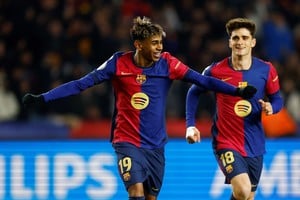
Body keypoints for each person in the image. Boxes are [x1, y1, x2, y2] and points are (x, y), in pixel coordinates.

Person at [22, 16, 256, 200]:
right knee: (135, 191)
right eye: (154, 43)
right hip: (127, 140)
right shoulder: (118, 63)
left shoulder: (168, 63)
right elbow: (81, 84)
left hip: (155, 145)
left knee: (151, 197)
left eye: (160, 43)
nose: (159, 47)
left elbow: (202, 80)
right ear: (138, 44)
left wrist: (236, 91)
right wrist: (44, 98)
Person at [185, 18, 283, 200]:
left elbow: (278, 99)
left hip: (255, 143)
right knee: (243, 190)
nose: (240, 42)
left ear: (252, 42)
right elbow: (193, 92)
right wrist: (191, 125)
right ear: (230, 41)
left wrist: (272, 107)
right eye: (236, 38)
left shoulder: (266, 70)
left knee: (247, 196)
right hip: (226, 141)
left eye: (245, 38)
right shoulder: (215, 71)